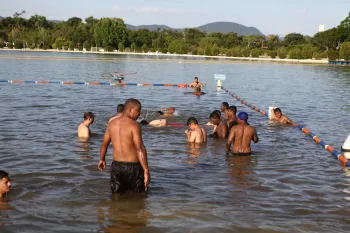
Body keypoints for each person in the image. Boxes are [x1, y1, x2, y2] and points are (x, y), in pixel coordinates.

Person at [98, 99, 150, 193]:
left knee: (116, 197)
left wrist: (102, 159)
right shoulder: (134, 125)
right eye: (138, 110)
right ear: (130, 110)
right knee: (139, 198)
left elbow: (104, 143)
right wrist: (146, 170)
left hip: (117, 167)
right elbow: (140, 148)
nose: (139, 113)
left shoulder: (111, 123)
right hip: (133, 168)